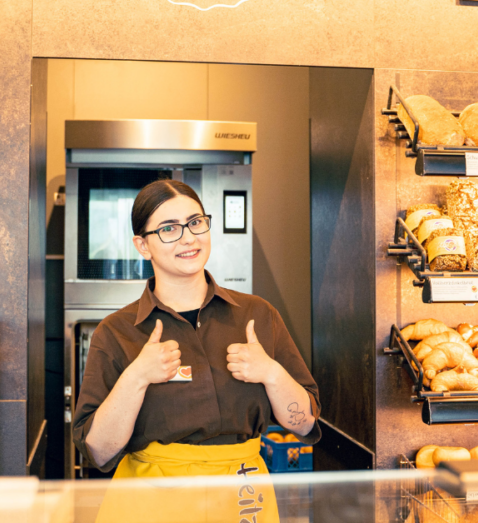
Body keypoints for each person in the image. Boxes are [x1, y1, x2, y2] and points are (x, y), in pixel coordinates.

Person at [73, 179, 319, 522]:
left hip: (242, 500)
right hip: (150, 507)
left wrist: (271, 373)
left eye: (195, 222)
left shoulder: (258, 316)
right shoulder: (116, 332)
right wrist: (137, 377)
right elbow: (98, 452)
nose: (188, 237)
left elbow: (305, 424)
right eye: (169, 228)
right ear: (143, 246)